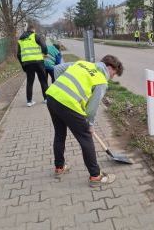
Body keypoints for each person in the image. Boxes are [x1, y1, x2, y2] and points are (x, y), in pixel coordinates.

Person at [46, 55, 124, 187]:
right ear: (110, 67)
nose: (112, 77)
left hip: (53, 96)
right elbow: (92, 108)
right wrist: (90, 124)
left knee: (60, 133)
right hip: (69, 104)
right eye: (114, 74)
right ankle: (95, 176)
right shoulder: (101, 81)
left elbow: (57, 68)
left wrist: (63, 88)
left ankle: (59, 167)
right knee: (86, 138)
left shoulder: (82, 63)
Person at [17, 24, 48, 107]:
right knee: (43, 80)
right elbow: (44, 46)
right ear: (33, 30)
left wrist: (23, 65)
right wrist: (45, 53)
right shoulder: (36, 36)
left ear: (27, 30)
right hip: (38, 62)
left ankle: (29, 101)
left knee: (30, 82)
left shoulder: (21, 39)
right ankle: (46, 99)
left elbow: (18, 55)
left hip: (27, 63)